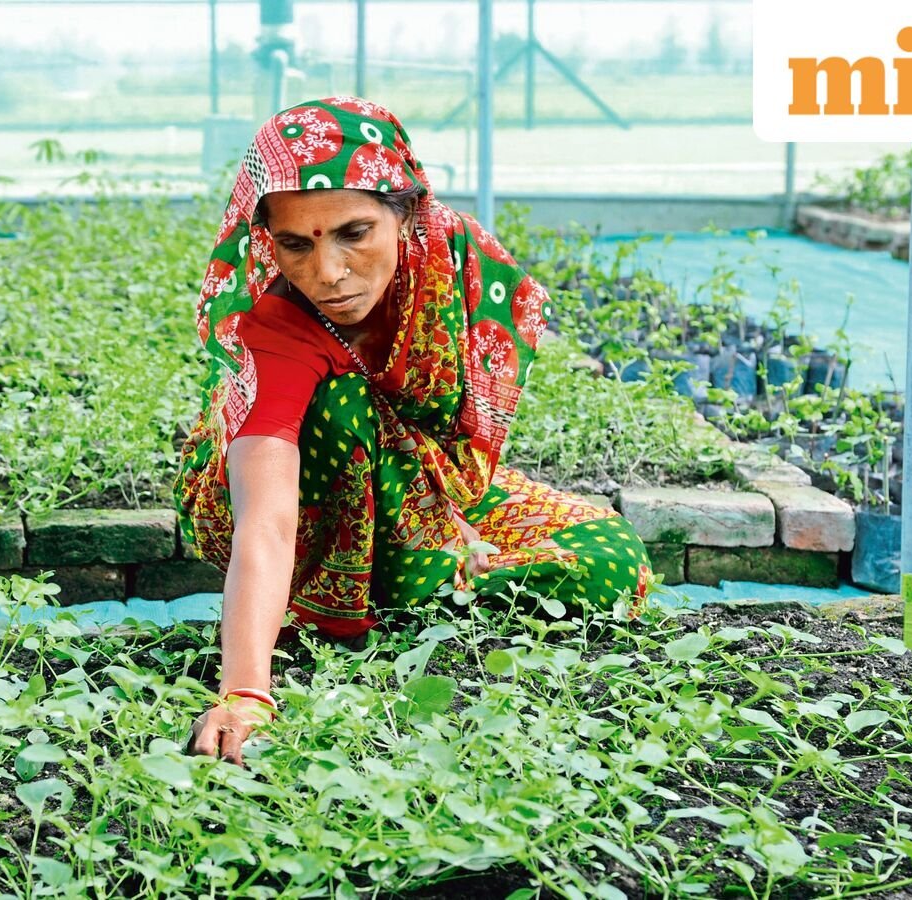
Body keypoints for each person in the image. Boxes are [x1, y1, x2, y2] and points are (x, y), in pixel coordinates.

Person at [177, 98, 653, 765]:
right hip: (306, 510)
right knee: (341, 403)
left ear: (404, 212)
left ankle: (419, 579)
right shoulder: (277, 324)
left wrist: (452, 520)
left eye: (355, 232)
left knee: (610, 557)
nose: (328, 273)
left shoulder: (451, 263)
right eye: (295, 244)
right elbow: (268, 519)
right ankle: (340, 601)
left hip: (418, 488)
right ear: (268, 241)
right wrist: (246, 693)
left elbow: (447, 435)